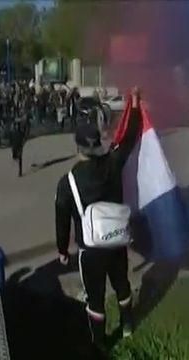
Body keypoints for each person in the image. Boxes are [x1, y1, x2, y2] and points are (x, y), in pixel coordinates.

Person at [55, 88, 143, 354]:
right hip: (117, 240)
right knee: (122, 285)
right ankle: (127, 326)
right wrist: (135, 105)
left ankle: (100, 343)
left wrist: (62, 250)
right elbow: (130, 137)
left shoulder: (67, 182)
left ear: (78, 147)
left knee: (95, 299)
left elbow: (62, 219)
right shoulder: (114, 161)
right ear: (98, 145)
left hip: (90, 249)